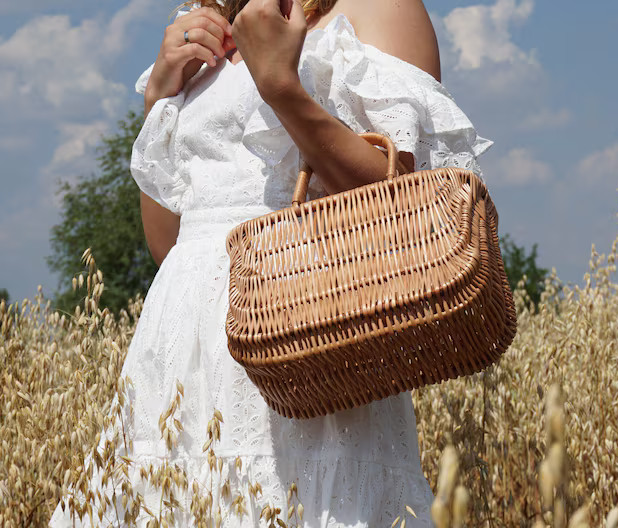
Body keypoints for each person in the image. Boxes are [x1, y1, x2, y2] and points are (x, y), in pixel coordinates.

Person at [49, 0, 493, 525]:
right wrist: (160, 98)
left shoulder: (378, 7)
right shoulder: (204, 19)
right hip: (179, 350)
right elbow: (171, 245)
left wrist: (280, 86)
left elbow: (404, 215)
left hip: (309, 337)